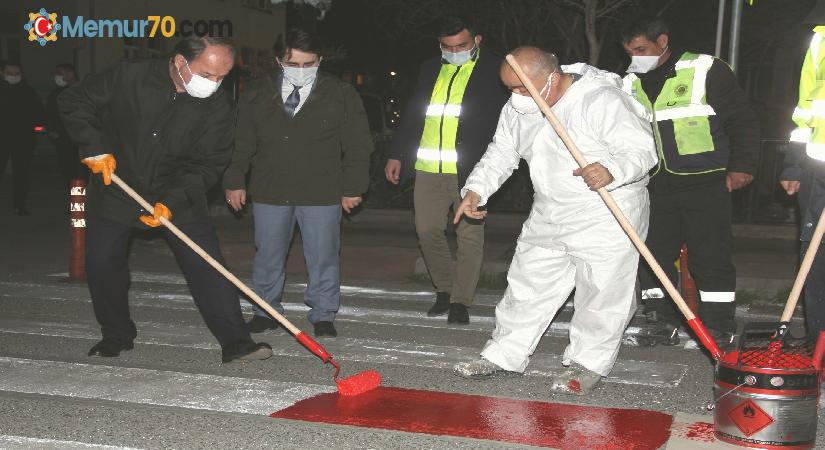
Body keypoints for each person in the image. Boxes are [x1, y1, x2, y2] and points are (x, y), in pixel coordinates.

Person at [453, 47, 657, 395]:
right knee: (527, 284)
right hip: (550, 209)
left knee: (602, 292)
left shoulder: (602, 101)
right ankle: (505, 354)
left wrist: (611, 170)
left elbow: (642, 151)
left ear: (552, 77)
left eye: (522, 89)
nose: (516, 97)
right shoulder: (521, 106)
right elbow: (502, 152)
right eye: (510, 90)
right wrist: (475, 190)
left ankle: (587, 364)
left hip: (606, 210)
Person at [58, 36, 273, 363]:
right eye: (207, 74)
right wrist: (93, 147)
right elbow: (75, 100)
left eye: (222, 78)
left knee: (206, 264)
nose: (214, 84)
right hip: (116, 182)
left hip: (179, 193)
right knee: (103, 263)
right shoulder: (129, 76)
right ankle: (116, 334)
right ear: (178, 62)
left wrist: (172, 201)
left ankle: (236, 340)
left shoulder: (218, 107)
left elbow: (209, 164)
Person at [223, 28, 373, 338]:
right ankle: (265, 310)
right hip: (270, 188)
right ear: (279, 61)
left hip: (322, 190)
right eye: (295, 64)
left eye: (310, 64)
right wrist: (235, 179)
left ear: (320, 60)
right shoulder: (257, 92)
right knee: (267, 253)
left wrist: (353, 187)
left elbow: (358, 144)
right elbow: (242, 140)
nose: (302, 71)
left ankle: (323, 313)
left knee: (323, 255)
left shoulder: (341, 94)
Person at [620, 17, 760, 346]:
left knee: (710, 256)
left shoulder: (705, 69)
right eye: (629, 51)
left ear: (663, 41)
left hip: (706, 181)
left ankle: (718, 325)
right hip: (653, 184)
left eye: (641, 49)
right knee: (652, 254)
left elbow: (743, 119)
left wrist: (742, 166)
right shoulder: (628, 81)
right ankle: (660, 319)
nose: (635, 57)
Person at [384, 16, 508, 324]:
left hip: (473, 169)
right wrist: (396, 153)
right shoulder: (430, 68)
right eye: (447, 46)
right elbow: (415, 111)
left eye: (461, 45)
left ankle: (460, 301)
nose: (453, 51)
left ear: (477, 40)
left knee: (469, 236)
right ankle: (444, 288)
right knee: (427, 230)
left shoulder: (496, 69)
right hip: (429, 167)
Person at [781, 1, 825, 340]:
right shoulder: (820, 39)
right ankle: (819, 346)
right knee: (817, 258)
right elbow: (805, 109)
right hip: (817, 167)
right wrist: (794, 163)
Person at [0, 60, 44, 216]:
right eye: (10, 73)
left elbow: (38, 111)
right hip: (2, 138)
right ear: (2, 73)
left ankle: (19, 205)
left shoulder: (27, 91)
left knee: (21, 174)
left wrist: (37, 128)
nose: (13, 76)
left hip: (23, 139)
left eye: (16, 73)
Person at [46, 63, 86, 188]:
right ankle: (77, 204)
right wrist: (52, 131)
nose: (57, 76)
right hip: (64, 140)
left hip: (82, 139)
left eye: (60, 73)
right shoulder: (56, 94)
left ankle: (81, 203)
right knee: (71, 174)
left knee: (80, 174)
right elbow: (50, 114)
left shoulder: (83, 90)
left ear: (70, 74)